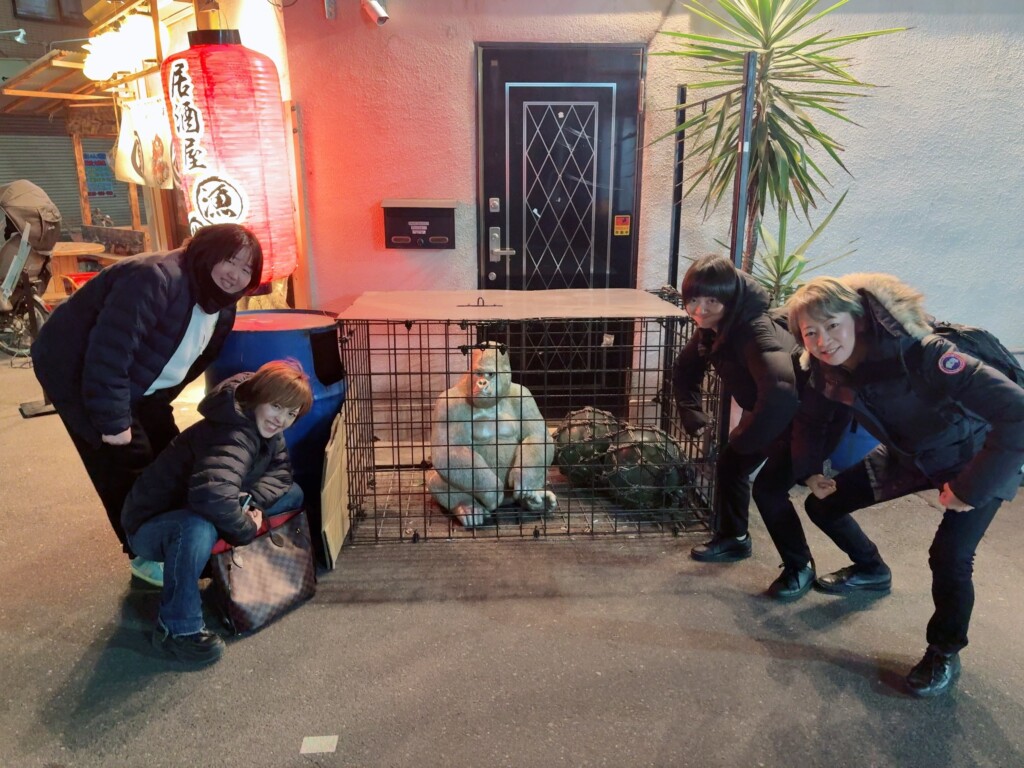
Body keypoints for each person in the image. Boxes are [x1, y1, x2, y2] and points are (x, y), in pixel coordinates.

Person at [786, 273, 1024, 697]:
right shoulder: (826, 367)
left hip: (973, 457)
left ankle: (944, 650)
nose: (823, 341)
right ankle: (872, 569)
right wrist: (809, 470)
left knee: (950, 557)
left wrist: (969, 489)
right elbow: (812, 418)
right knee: (822, 505)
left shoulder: (925, 352)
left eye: (832, 325)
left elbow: (1017, 414)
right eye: (811, 333)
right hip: (908, 457)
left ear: (858, 319)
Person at [31, 224, 263, 586]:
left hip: (140, 383)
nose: (235, 274)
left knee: (169, 454)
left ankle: (178, 541)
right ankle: (144, 554)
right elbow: (110, 352)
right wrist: (112, 422)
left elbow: (188, 358)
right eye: (229, 260)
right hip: (78, 372)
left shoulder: (222, 306)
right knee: (125, 464)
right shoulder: (154, 279)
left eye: (246, 268)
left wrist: (156, 400)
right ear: (206, 253)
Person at [121, 359, 313, 666]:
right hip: (152, 525)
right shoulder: (232, 433)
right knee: (197, 528)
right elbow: (210, 497)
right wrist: (246, 527)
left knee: (292, 494)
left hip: (204, 503)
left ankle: (238, 569)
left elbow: (281, 475)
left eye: (291, 413)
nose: (282, 419)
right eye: (277, 406)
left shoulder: (264, 427)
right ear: (258, 397)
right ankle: (177, 629)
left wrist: (250, 502)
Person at [672, 254, 805, 572]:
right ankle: (734, 538)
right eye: (693, 300)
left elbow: (780, 392)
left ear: (729, 299)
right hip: (770, 412)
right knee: (731, 466)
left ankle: (801, 568)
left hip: (803, 418)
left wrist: (744, 437)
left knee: (770, 491)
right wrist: (693, 414)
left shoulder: (753, 331)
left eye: (711, 301)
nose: (700, 310)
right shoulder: (714, 326)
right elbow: (685, 368)